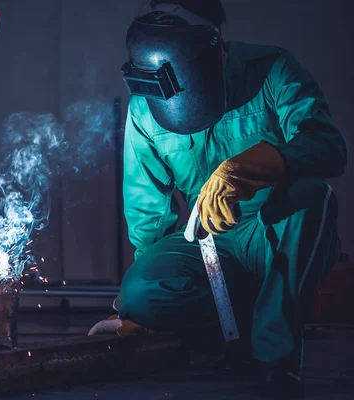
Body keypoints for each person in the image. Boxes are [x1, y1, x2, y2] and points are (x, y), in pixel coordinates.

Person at [90, 0, 347, 396]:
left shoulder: (273, 68)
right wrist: (150, 307)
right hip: (207, 236)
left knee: (314, 195)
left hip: (276, 228)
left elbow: (328, 147)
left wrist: (249, 167)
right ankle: (252, 314)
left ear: (211, 52)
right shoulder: (145, 106)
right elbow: (146, 207)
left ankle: (272, 355)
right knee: (139, 293)